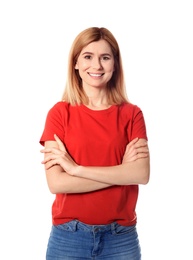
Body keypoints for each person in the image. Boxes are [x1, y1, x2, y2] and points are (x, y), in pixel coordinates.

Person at [39, 26, 150, 260]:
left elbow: (140, 174)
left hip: (121, 239)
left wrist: (76, 169)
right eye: (88, 57)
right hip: (69, 237)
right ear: (76, 64)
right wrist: (121, 172)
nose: (97, 66)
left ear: (115, 64)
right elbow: (57, 183)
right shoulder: (59, 114)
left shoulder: (132, 114)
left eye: (105, 58)